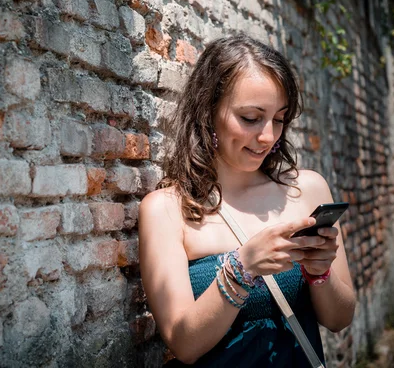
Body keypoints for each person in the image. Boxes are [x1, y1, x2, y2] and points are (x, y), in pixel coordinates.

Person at [138, 32, 356, 367]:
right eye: (251, 118)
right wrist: (243, 268)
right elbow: (184, 344)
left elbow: (340, 319)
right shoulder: (166, 210)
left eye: (279, 119)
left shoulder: (307, 189)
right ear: (209, 113)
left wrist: (320, 273)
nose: (268, 136)